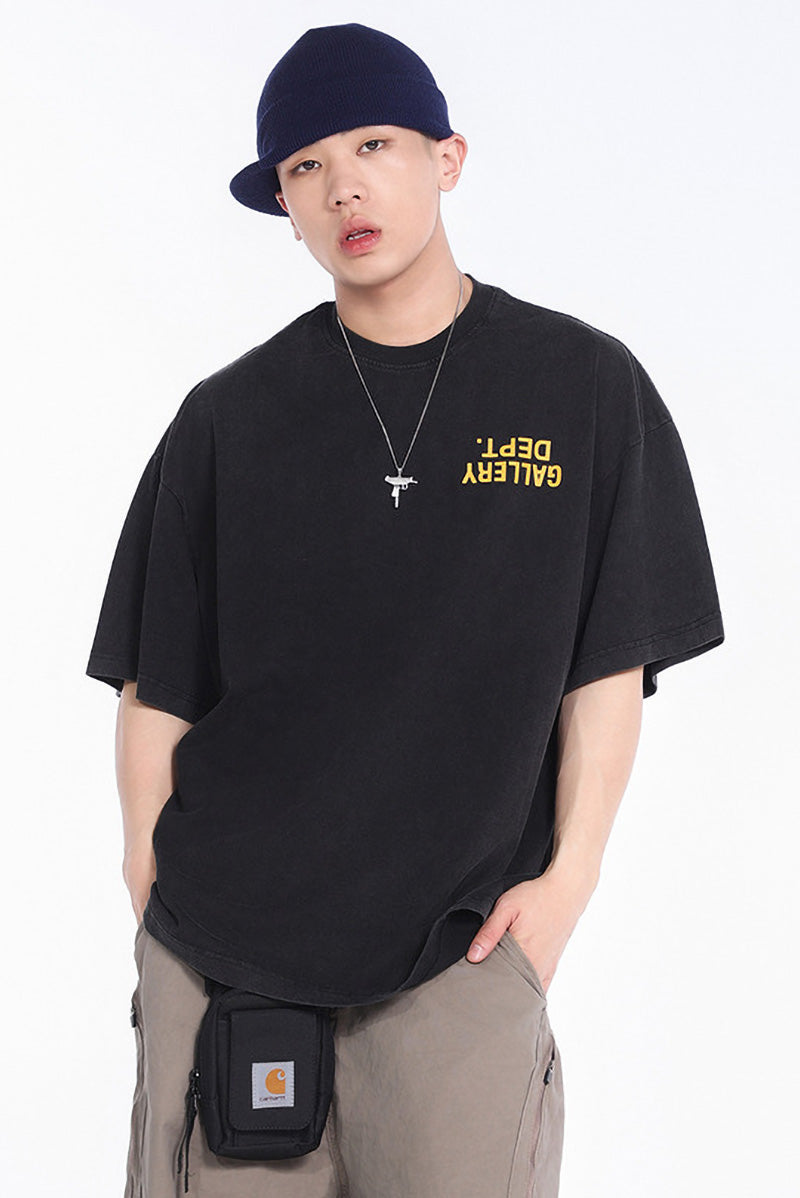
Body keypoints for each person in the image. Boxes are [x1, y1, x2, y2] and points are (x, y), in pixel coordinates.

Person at [85, 22, 725, 1198]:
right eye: (306, 166)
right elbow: (154, 678)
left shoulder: (580, 388)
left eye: (372, 145)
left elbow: (608, 661)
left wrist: (568, 879)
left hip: (461, 948)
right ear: (284, 206)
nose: (344, 186)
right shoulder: (227, 418)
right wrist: (150, 878)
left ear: (447, 157)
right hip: (225, 949)